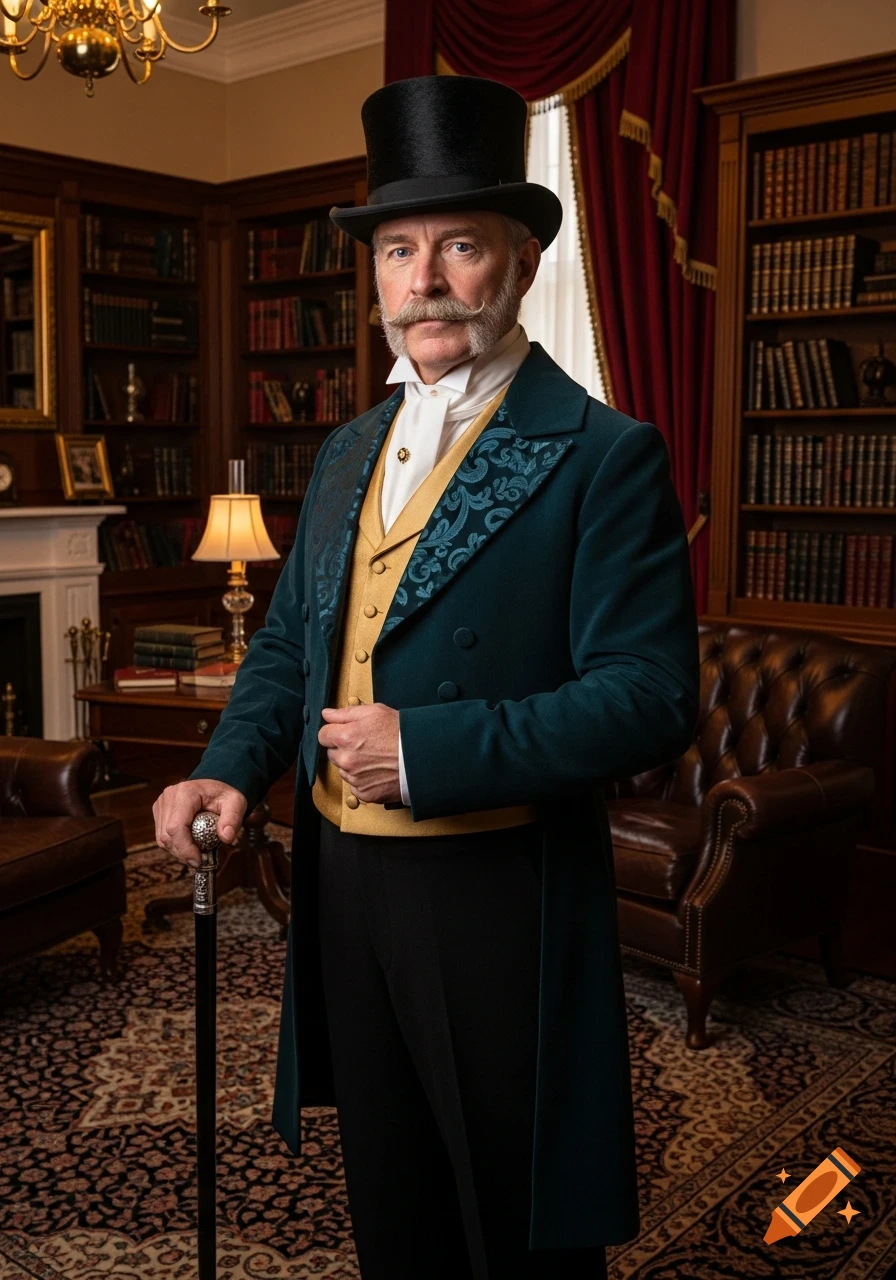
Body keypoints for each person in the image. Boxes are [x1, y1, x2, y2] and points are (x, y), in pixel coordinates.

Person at [153, 73, 700, 1280]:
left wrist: (429, 750)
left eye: (459, 242)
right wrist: (228, 765)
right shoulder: (349, 446)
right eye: (398, 248)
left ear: (518, 256)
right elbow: (293, 640)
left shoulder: (601, 453)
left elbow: (650, 693)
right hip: (343, 883)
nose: (425, 276)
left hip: (493, 886)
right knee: (390, 1193)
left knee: (513, 1212)